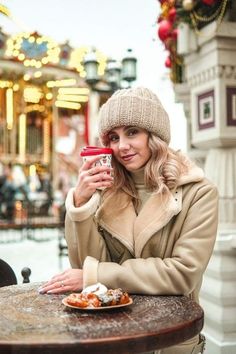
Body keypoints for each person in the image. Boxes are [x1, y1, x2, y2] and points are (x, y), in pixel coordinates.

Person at [39, 87, 218, 354]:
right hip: (114, 338)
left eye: (132, 132)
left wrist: (96, 274)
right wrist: (80, 204)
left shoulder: (198, 192)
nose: (121, 146)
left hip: (170, 341)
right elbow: (85, 266)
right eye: (113, 136)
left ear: (154, 134)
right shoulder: (104, 191)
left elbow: (183, 274)